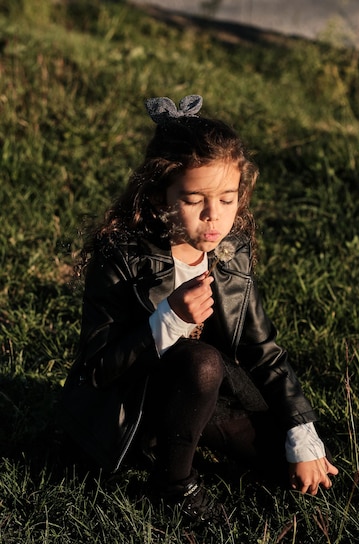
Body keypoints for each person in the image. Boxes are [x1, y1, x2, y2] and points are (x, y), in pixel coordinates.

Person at [61, 94, 338, 521]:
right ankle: (173, 490)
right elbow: (97, 368)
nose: (214, 217)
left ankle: (215, 440)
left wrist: (302, 433)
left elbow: (262, 350)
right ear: (159, 197)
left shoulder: (231, 253)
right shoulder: (120, 256)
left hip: (204, 399)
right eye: (194, 200)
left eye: (227, 199)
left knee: (288, 466)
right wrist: (169, 318)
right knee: (202, 361)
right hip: (133, 407)